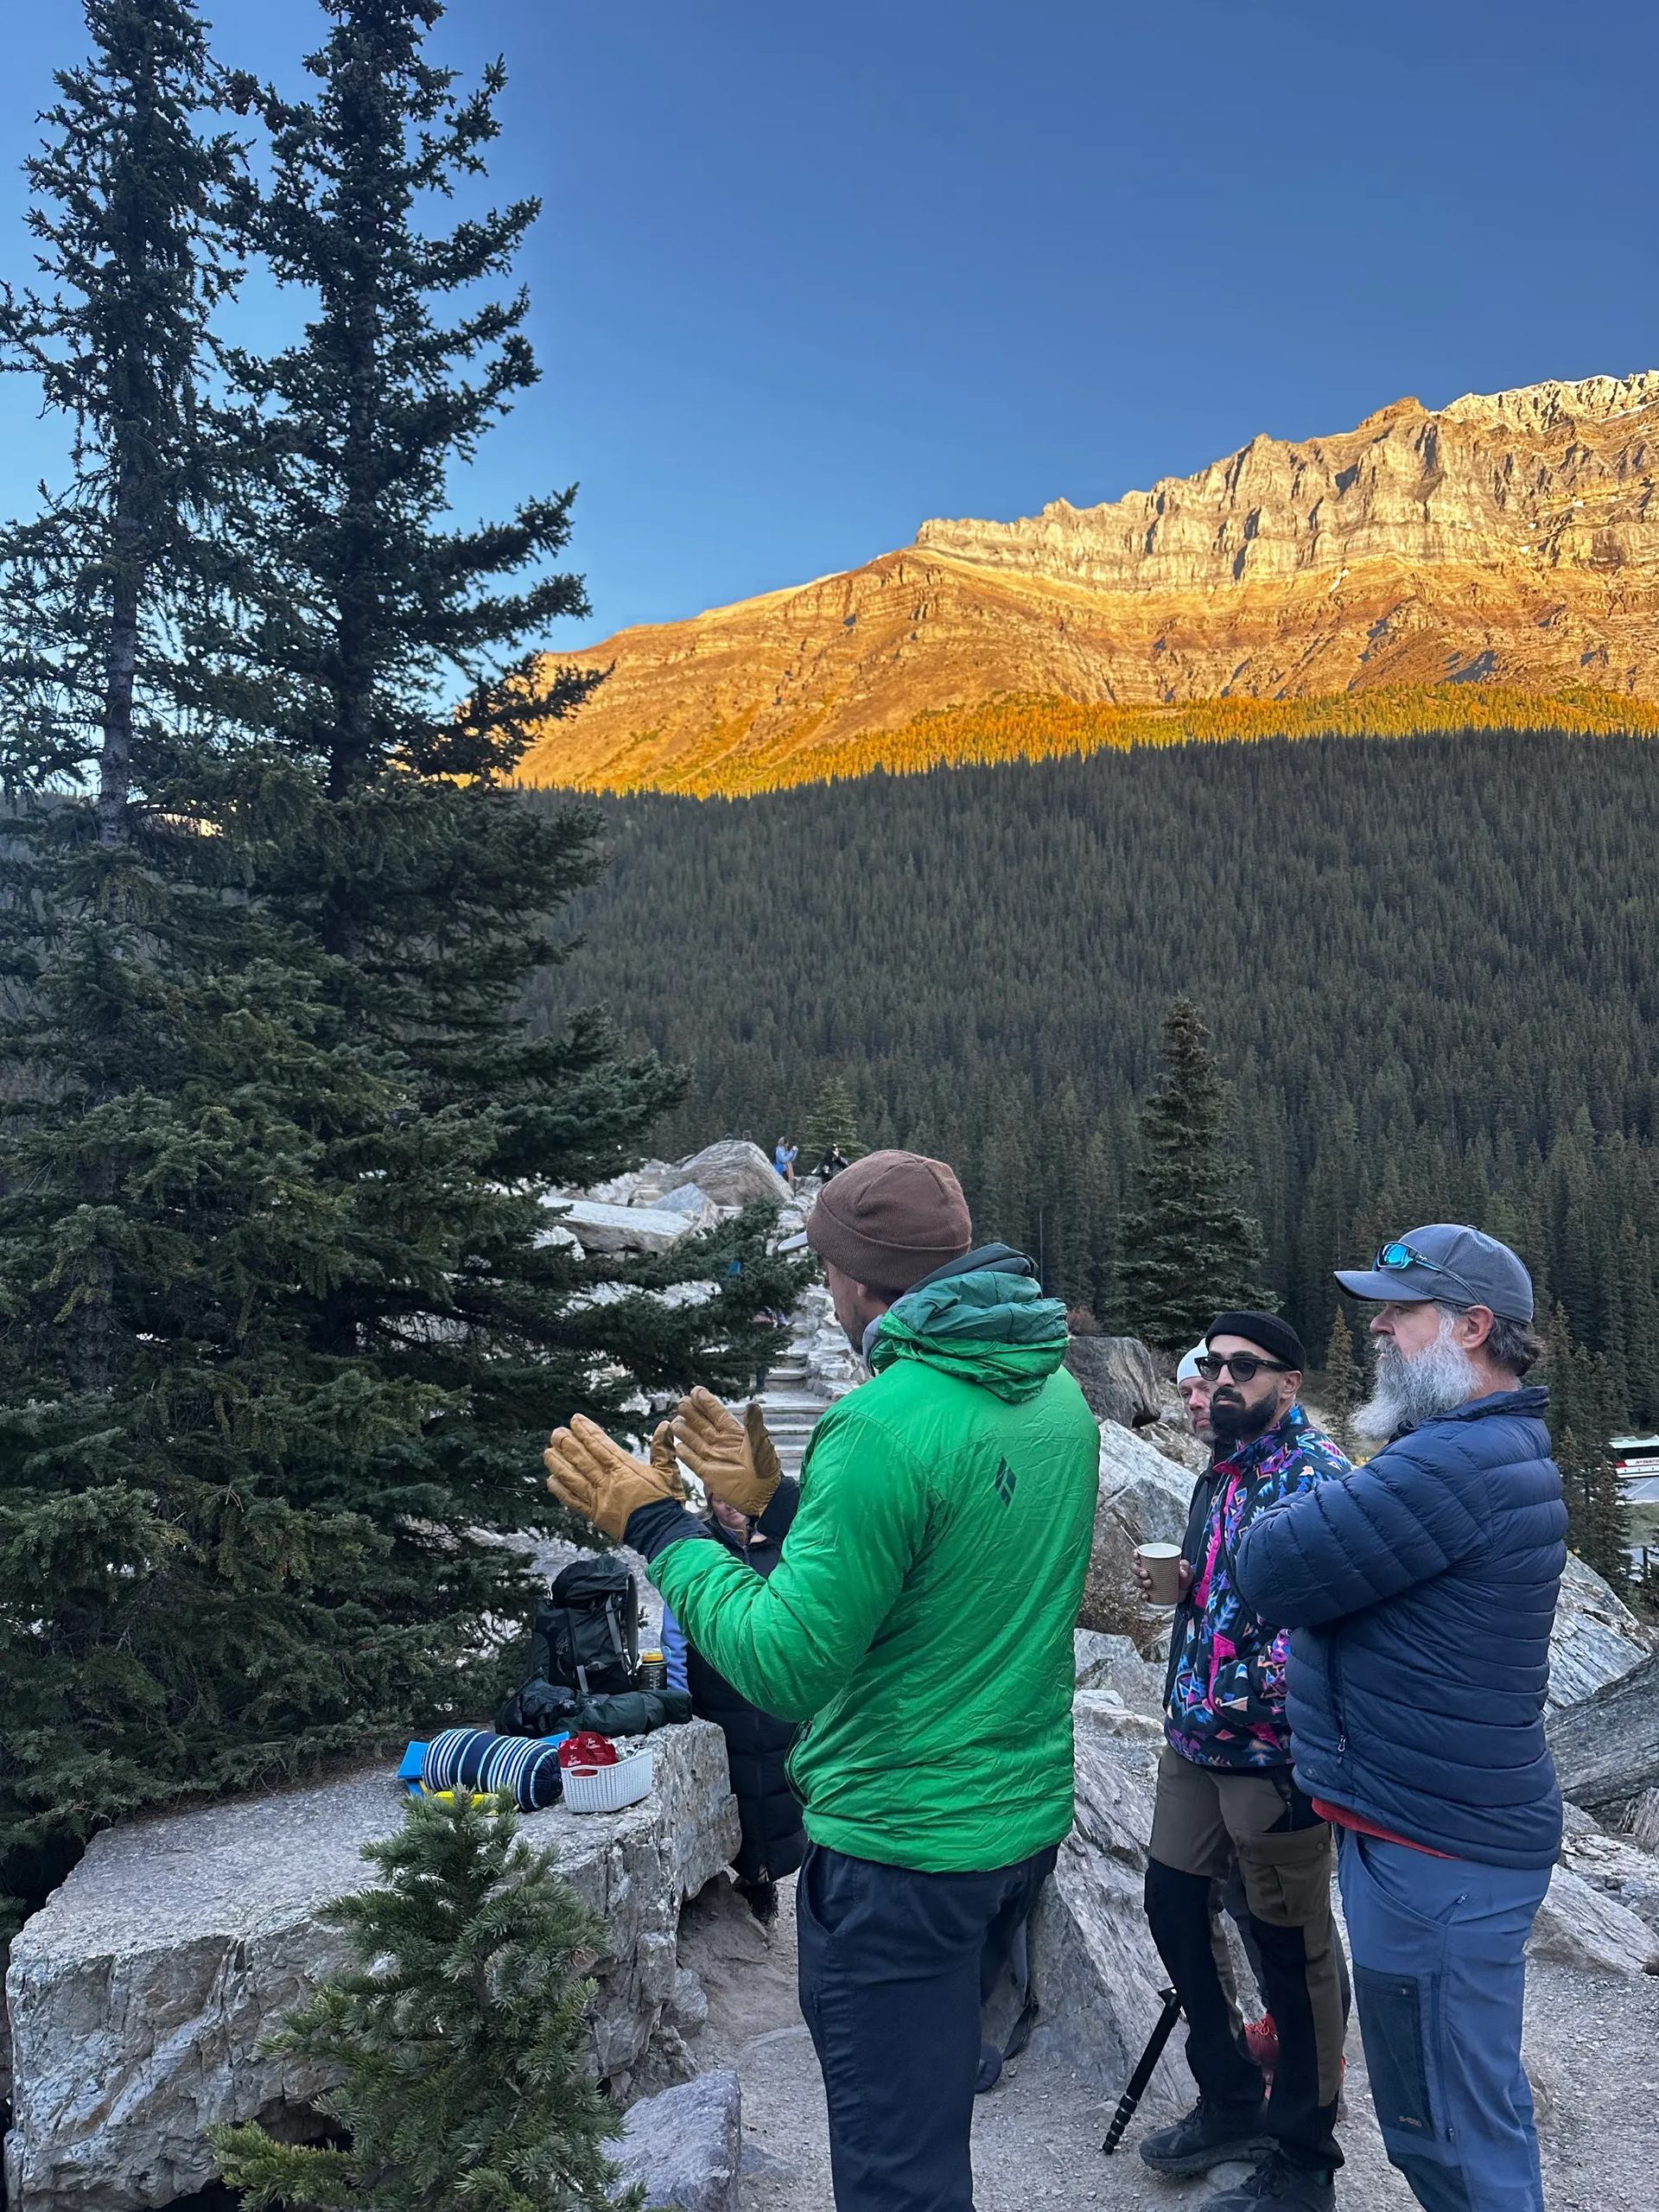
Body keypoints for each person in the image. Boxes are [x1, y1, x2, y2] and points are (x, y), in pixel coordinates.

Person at [543, 1150, 1100, 2212]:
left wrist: (657, 1523)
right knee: (932, 2117)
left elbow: (785, 1664)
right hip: (1014, 1823)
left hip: (900, 1850)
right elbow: (949, 1569)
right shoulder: (1054, 1390)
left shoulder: (882, 1424)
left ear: (851, 1279)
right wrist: (789, 1503)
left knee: (896, 2176)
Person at [1236, 1227, 1564, 2212]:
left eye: (1398, 1309)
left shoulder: (1448, 1469)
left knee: (1448, 2137)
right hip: (1432, 1833)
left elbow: (1270, 1569)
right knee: (1458, 2114)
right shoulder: (1480, 1450)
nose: (1375, 1324)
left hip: (1434, 1852)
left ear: (1471, 1326)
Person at [1134, 1313, 1352, 2212]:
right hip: (1194, 1738)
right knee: (1171, 1902)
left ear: (1289, 1382)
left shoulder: (1321, 1478)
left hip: (1273, 1757)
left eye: (1243, 1367)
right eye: (1209, 1364)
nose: (1221, 1379)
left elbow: (1334, 1619)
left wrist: (1257, 1679)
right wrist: (1192, 1594)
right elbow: (1229, 1590)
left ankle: (1304, 2157)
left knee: (1288, 1946)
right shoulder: (1220, 1472)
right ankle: (1230, 2093)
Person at [662, 1492, 804, 1927]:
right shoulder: (700, 1548)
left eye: (736, 1496)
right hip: (719, 1697)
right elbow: (675, 1631)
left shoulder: (786, 1543)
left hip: (778, 1695)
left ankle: (770, 1877)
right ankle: (752, 1883)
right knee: (737, 1788)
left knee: (782, 1794)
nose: (729, 1506)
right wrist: (678, 1695)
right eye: (719, 1498)